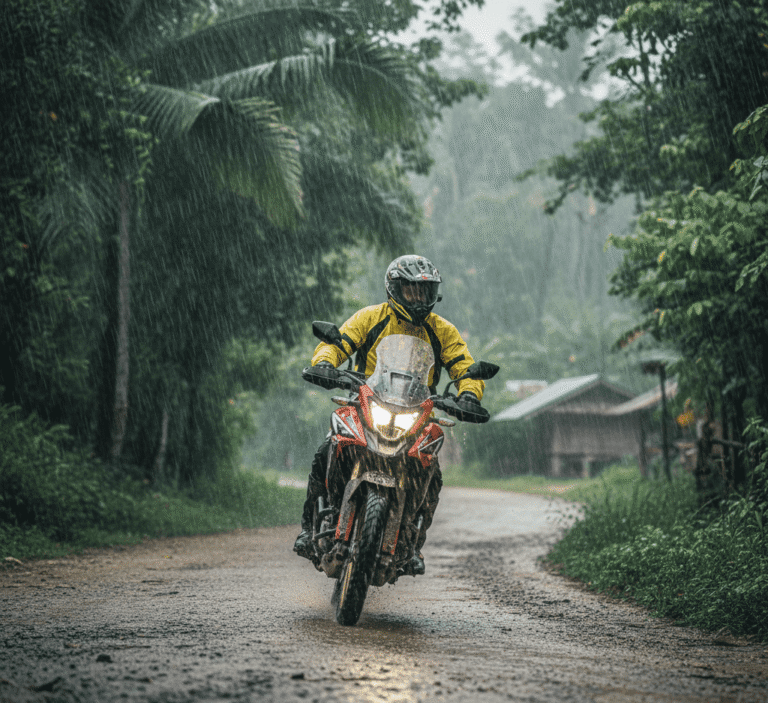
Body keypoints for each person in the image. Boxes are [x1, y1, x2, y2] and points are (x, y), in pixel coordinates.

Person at [293, 254, 485, 573]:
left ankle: (412, 543)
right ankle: (309, 528)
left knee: (431, 473)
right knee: (328, 448)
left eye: (424, 292)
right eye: (410, 290)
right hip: (365, 403)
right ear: (394, 288)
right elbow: (339, 344)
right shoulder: (370, 318)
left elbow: (464, 367)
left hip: (416, 412)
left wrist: (468, 393)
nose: (418, 298)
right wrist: (325, 363)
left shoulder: (442, 330)